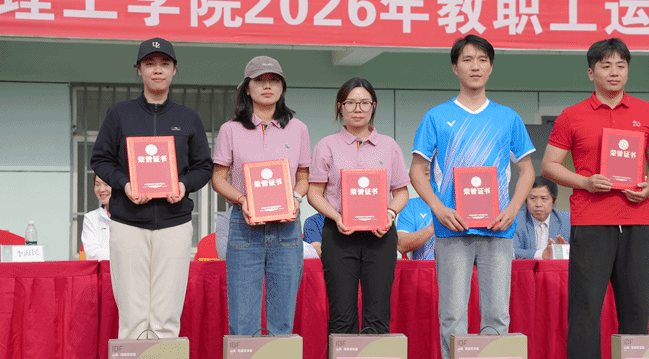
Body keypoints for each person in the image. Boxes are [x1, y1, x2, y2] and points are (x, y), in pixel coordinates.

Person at [542, 38, 649, 359]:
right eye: (606, 65)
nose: (614, 72)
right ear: (591, 72)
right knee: (585, 308)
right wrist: (584, 181)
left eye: (621, 66)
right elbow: (549, 165)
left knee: (635, 308)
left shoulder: (646, 112)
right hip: (592, 222)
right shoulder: (572, 115)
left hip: (636, 222)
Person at [409, 34, 536, 359]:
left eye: (482, 59)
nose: (475, 66)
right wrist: (438, 209)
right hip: (452, 229)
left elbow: (527, 170)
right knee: (453, 315)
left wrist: (513, 209)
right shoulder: (437, 116)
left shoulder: (507, 118)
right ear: (455, 67)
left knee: (497, 314)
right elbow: (417, 171)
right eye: (467, 59)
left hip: (498, 229)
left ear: (491, 67)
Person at [90, 36, 213, 340]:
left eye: (164, 64)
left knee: (166, 315)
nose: (158, 69)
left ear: (174, 70)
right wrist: (125, 184)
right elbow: (100, 159)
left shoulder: (188, 118)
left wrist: (183, 185)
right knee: (132, 316)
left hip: (175, 224)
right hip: (128, 223)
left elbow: (203, 167)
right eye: (150, 63)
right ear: (139, 70)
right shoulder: (119, 114)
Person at [210, 56, 311, 337]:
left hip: (287, 229)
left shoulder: (298, 129)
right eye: (260, 80)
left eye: (274, 80)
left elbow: (304, 177)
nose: (267, 86)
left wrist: (295, 198)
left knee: (282, 318)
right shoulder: (231, 129)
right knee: (243, 319)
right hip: (244, 227)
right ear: (247, 88)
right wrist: (243, 199)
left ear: (282, 87)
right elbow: (218, 179)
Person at [307, 78, 410, 335]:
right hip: (339, 234)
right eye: (351, 102)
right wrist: (336, 217)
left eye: (364, 103)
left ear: (373, 106)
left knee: (378, 315)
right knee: (342, 315)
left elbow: (401, 192)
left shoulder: (389, 146)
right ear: (340, 107)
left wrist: (390, 213)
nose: (358, 108)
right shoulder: (326, 145)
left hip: (381, 235)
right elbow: (314, 193)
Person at [512, 175, 571, 259]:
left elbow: (580, 251)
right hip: (526, 267)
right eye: (533, 198)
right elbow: (511, 252)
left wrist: (567, 252)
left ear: (554, 201)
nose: (538, 204)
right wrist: (542, 254)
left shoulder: (567, 220)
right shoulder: (515, 219)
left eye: (544, 199)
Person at [81, 175, 112, 260]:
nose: (101, 189)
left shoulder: (133, 215)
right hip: (104, 268)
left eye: (106, 184)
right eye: (97, 185)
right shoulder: (90, 218)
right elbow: (91, 253)